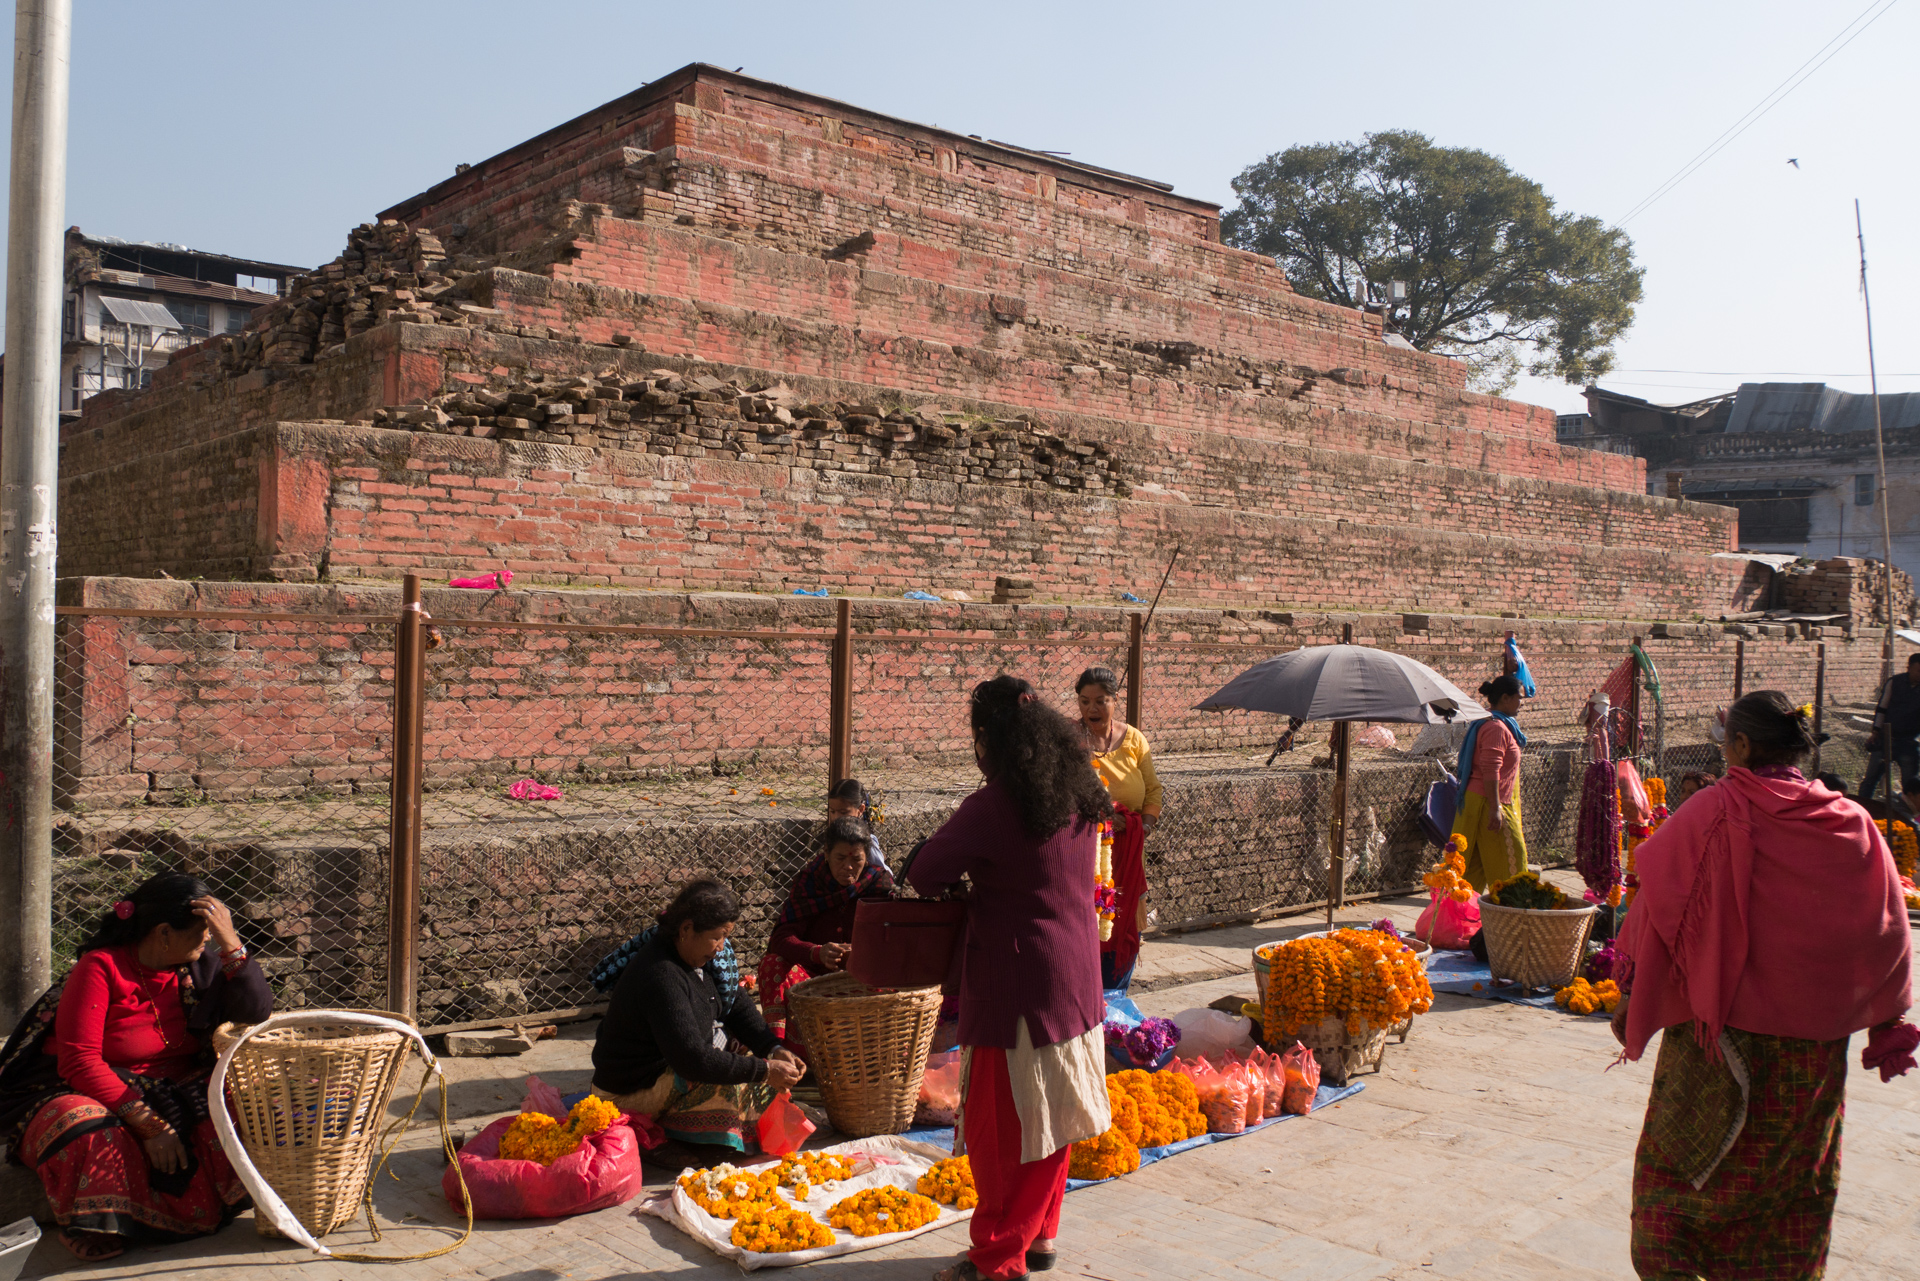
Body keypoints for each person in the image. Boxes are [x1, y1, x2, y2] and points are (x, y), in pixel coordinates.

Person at [1613, 691, 1914, 1277]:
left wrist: (1633, 996)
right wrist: (1885, 1021)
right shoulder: (1850, 822)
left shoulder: (1714, 810)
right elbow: (1888, 930)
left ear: (1743, 746)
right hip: (1812, 1059)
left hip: (1716, 1049)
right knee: (1790, 1197)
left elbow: (1656, 908)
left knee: (1673, 1195)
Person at [911, 675, 1113, 1281]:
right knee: (1056, 1114)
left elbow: (926, 871)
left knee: (1004, 1133)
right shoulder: (1079, 789)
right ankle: (1041, 1236)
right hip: (1076, 978)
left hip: (1016, 986)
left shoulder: (994, 805)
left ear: (989, 739)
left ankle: (999, 1256)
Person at [0, 873, 271, 1262]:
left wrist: (232, 945)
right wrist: (149, 1124)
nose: (208, 939)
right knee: (85, 1125)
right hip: (87, 1086)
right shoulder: (101, 967)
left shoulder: (199, 965)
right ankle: (104, 1224)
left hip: (170, 1084)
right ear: (164, 933)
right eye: (202, 931)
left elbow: (256, 1013)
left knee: (253, 1096)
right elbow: (79, 1062)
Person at [590, 879, 805, 1152]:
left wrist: (773, 1049)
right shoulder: (660, 975)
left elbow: (735, 1004)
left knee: (749, 1063)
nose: (721, 946)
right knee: (730, 1085)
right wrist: (765, 1070)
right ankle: (678, 1140)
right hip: (628, 1091)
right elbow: (692, 1059)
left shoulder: (702, 960)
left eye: (726, 936)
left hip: (672, 1065)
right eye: (717, 936)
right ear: (686, 929)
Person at [755, 817, 895, 1054]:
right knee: (771, 965)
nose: (848, 867)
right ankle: (780, 1053)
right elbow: (781, 939)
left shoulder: (879, 884)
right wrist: (815, 952)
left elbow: (894, 939)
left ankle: (873, 1053)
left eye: (857, 859)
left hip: (863, 983)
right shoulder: (809, 882)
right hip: (812, 984)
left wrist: (862, 952)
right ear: (826, 853)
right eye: (841, 858)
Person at [1075, 667, 1162, 992]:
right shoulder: (1070, 742)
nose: (1091, 709)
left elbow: (1153, 791)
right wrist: (1104, 822)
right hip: (1083, 860)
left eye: (1100, 701)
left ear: (1115, 701)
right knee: (1087, 937)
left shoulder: (1135, 739)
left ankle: (1115, 1008)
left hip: (1127, 860)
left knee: (1122, 929)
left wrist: (1145, 826)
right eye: (1084, 701)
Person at [1449, 674, 1529, 890]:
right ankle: (1511, 915)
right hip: (1488, 804)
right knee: (1512, 864)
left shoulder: (1496, 723)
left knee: (1473, 867)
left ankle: (1464, 919)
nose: (1522, 703)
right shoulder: (1496, 728)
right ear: (1505, 698)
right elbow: (1490, 770)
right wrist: (1495, 808)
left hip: (1481, 802)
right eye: (1519, 698)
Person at [1859, 653, 1920, 803]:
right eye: (1919, 670)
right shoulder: (1894, 682)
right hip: (1886, 740)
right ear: (1909, 668)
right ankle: (1861, 810)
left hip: (1909, 743)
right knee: (1870, 780)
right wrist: (1875, 732)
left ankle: (1908, 819)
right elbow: (1882, 708)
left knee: (1910, 786)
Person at [826, 776, 889, 870]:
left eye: (843, 812)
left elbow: (884, 874)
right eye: (832, 812)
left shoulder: (866, 842)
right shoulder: (832, 838)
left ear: (860, 810)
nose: (836, 818)